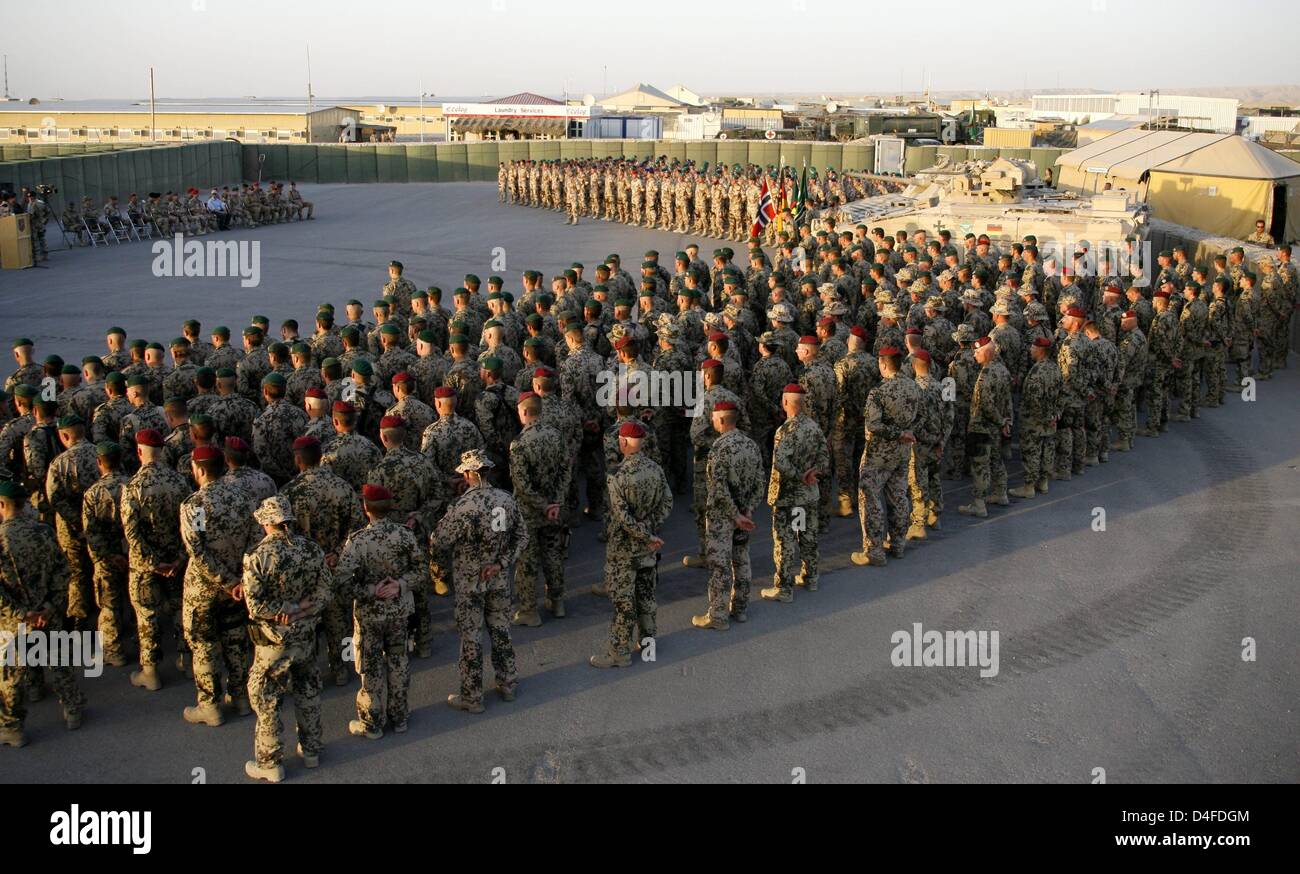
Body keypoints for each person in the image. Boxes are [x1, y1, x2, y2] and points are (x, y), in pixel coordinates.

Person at [242, 496, 332, 783]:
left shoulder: (257, 556)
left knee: (266, 695)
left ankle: (270, 762)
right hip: (306, 634)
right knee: (308, 689)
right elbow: (325, 591)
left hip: (274, 641)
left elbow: (255, 606)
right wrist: (302, 609)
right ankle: (311, 750)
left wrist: (285, 611)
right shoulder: (311, 549)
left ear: (267, 523)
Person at [430, 450, 526, 711]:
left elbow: (439, 540)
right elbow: (522, 538)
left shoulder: (463, 506)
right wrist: (501, 563)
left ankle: (472, 696)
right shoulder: (506, 500)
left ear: (470, 474)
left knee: (471, 637)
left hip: (469, 581)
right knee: (501, 629)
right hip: (498, 578)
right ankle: (508, 683)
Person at [0, 480, 86, 747]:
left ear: (2, 505)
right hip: (49, 613)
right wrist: (49, 607)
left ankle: (13, 728)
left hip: (15, 621)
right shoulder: (45, 532)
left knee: (11, 674)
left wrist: (23, 614)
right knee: (59, 660)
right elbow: (64, 571)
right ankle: (72, 710)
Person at [334, 484, 421, 739]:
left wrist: (371, 591)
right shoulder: (405, 535)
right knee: (398, 661)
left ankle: (372, 724)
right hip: (399, 612)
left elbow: (341, 580)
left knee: (370, 667)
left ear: (365, 508)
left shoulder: (358, 541)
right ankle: (400, 716)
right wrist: (400, 585)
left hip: (370, 616)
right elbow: (421, 570)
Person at [592, 421, 672, 668]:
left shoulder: (617, 475)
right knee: (647, 598)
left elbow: (622, 517)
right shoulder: (656, 470)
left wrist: (643, 533)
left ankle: (620, 653)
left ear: (624, 443)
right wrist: (650, 528)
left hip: (623, 550)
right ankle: (648, 646)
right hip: (648, 549)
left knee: (623, 602)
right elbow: (667, 503)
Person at [694, 402, 762, 630]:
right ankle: (740, 608)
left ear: (722, 420)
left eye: (713, 418)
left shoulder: (719, 448)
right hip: (744, 514)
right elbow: (759, 482)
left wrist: (734, 515)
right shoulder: (751, 445)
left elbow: (718, 488)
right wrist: (748, 510)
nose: (712, 422)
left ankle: (718, 615)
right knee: (741, 559)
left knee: (720, 565)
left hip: (722, 517)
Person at [762, 385, 828, 601]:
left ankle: (784, 588)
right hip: (808, 495)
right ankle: (811, 577)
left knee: (785, 540)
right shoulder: (814, 427)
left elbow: (780, 462)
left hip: (787, 497)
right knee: (807, 535)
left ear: (785, 403)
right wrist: (813, 474)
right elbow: (824, 458)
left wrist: (799, 475)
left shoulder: (785, 431)